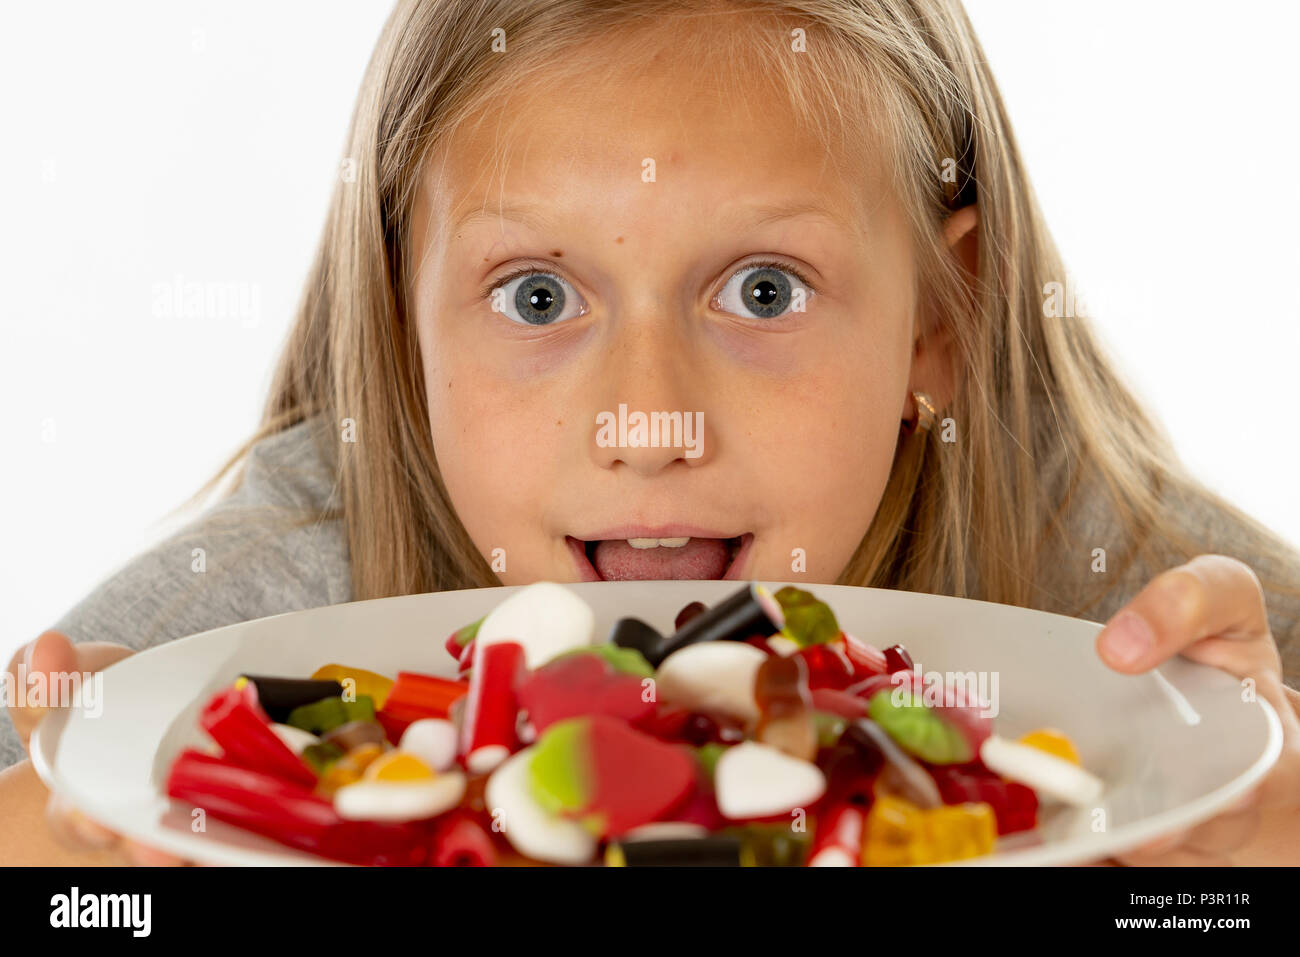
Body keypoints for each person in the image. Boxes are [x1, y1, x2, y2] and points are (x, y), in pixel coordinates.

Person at [3, 0, 1297, 865]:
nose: (647, 421)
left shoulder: (1160, 639)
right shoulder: (227, 654)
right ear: (401, 335)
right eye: (538, 297)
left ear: (932, 334)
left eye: (764, 291)